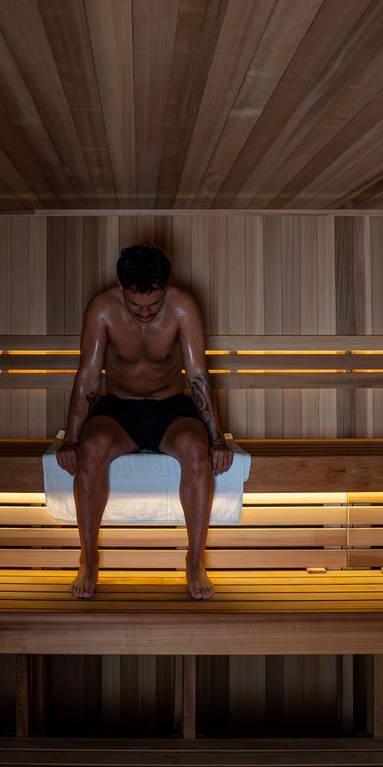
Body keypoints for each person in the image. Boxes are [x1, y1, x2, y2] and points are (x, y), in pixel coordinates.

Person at [55, 244, 233, 600]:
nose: (146, 312)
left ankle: (195, 560)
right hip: (119, 410)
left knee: (196, 449)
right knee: (91, 448)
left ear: (165, 287)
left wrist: (216, 438)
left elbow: (198, 374)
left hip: (171, 409)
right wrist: (71, 439)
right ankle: (88, 559)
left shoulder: (182, 306)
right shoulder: (103, 309)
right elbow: (88, 376)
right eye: (137, 305)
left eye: (154, 303)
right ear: (122, 288)